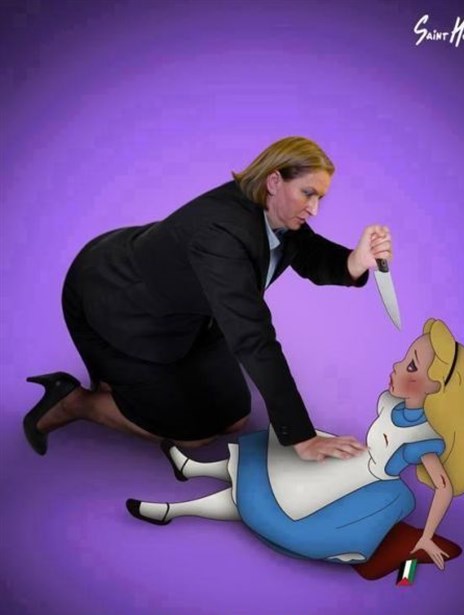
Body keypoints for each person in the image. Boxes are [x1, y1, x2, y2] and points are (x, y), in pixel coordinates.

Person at [23, 137, 392, 461]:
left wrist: (355, 261)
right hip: (119, 304)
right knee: (193, 437)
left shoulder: (275, 212)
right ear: (274, 181)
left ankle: (128, 386)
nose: (314, 209)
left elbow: (309, 252)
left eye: (320, 197)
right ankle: (75, 402)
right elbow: (253, 338)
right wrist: (302, 437)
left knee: (234, 417)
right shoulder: (221, 236)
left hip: (189, 310)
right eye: (308, 193)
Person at [126, 319, 464, 570]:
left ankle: (174, 510)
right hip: (353, 457)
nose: (396, 365)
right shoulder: (393, 404)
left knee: (276, 494)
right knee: (272, 462)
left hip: (362, 481)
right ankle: (193, 468)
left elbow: (443, 486)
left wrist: (427, 536)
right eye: (405, 358)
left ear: (435, 387)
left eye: (411, 367)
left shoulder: (421, 438)